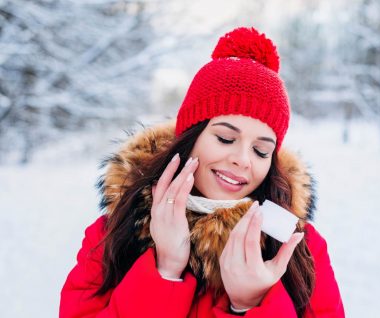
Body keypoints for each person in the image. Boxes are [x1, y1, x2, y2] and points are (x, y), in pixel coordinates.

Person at [60, 27, 344, 317]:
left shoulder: (299, 247)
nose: (243, 160)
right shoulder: (115, 232)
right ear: (190, 138)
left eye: (261, 151)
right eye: (225, 138)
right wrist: (165, 270)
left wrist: (248, 305)